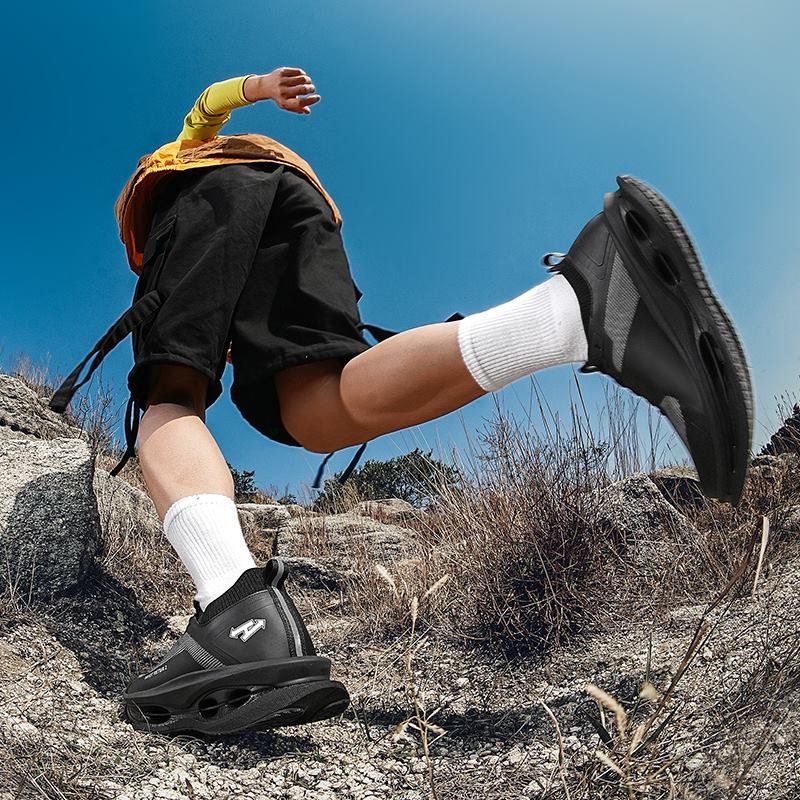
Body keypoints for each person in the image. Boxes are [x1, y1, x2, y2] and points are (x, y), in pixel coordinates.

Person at [48, 67, 753, 735]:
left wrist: (259, 88)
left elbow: (206, 104)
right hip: (301, 208)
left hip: (213, 198)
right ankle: (577, 312)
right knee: (317, 407)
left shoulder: (180, 165)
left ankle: (235, 609)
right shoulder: (276, 175)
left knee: (170, 396)